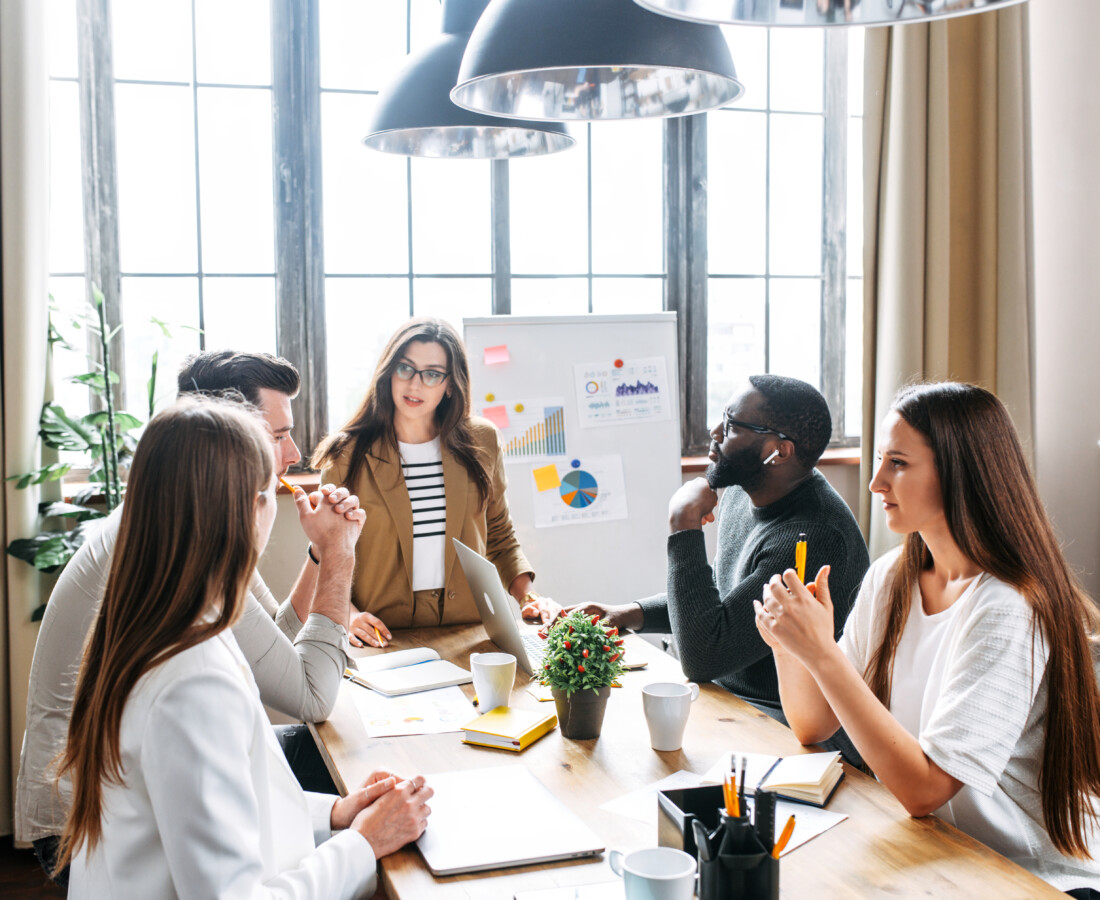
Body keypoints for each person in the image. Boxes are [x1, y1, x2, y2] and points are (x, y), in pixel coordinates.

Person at [56, 396, 432, 897]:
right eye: (265, 494)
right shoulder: (194, 680)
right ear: (248, 510)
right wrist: (363, 843)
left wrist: (337, 814)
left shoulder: (162, 620)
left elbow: (243, 795)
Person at [16, 351, 359, 884]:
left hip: (114, 794)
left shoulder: (183, 524)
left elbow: (276, 645)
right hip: (78, 823)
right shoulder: (185, 556)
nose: (292, 454)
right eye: (277, 436)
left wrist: (318, 555)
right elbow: (309, 695)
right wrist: (340, 560)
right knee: (334, 755)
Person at [756, 382, 1100, 895]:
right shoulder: (894, 576)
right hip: (941, 850)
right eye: (879, 460)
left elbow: (925, 790)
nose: (875, 483)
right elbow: (812, 724)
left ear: (961, 474)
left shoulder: (1007, 607)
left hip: (1030, 875)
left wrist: (824, 654)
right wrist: (792, 647)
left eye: (897, 462)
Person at [563, 375, 869, 732]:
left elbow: (704, 655)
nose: (715, 431)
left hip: (785, 726)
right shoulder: (743, 492)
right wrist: (628, 614)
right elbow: (726, 603)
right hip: (727, 701)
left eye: (733, 425)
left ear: (779, 452)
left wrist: (684, 526)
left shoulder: (810, 537)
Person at [311, 318, 550, 647]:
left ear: (450, 384)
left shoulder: (482, 441)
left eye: (432, 374)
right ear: (389, 372)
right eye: (406, 368)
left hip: (469, 634)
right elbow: (327, 553)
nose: (415, 385)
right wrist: (348, 613)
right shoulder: (346, 455)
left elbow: (499, 535)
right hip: (382, 637)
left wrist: (529, 597)